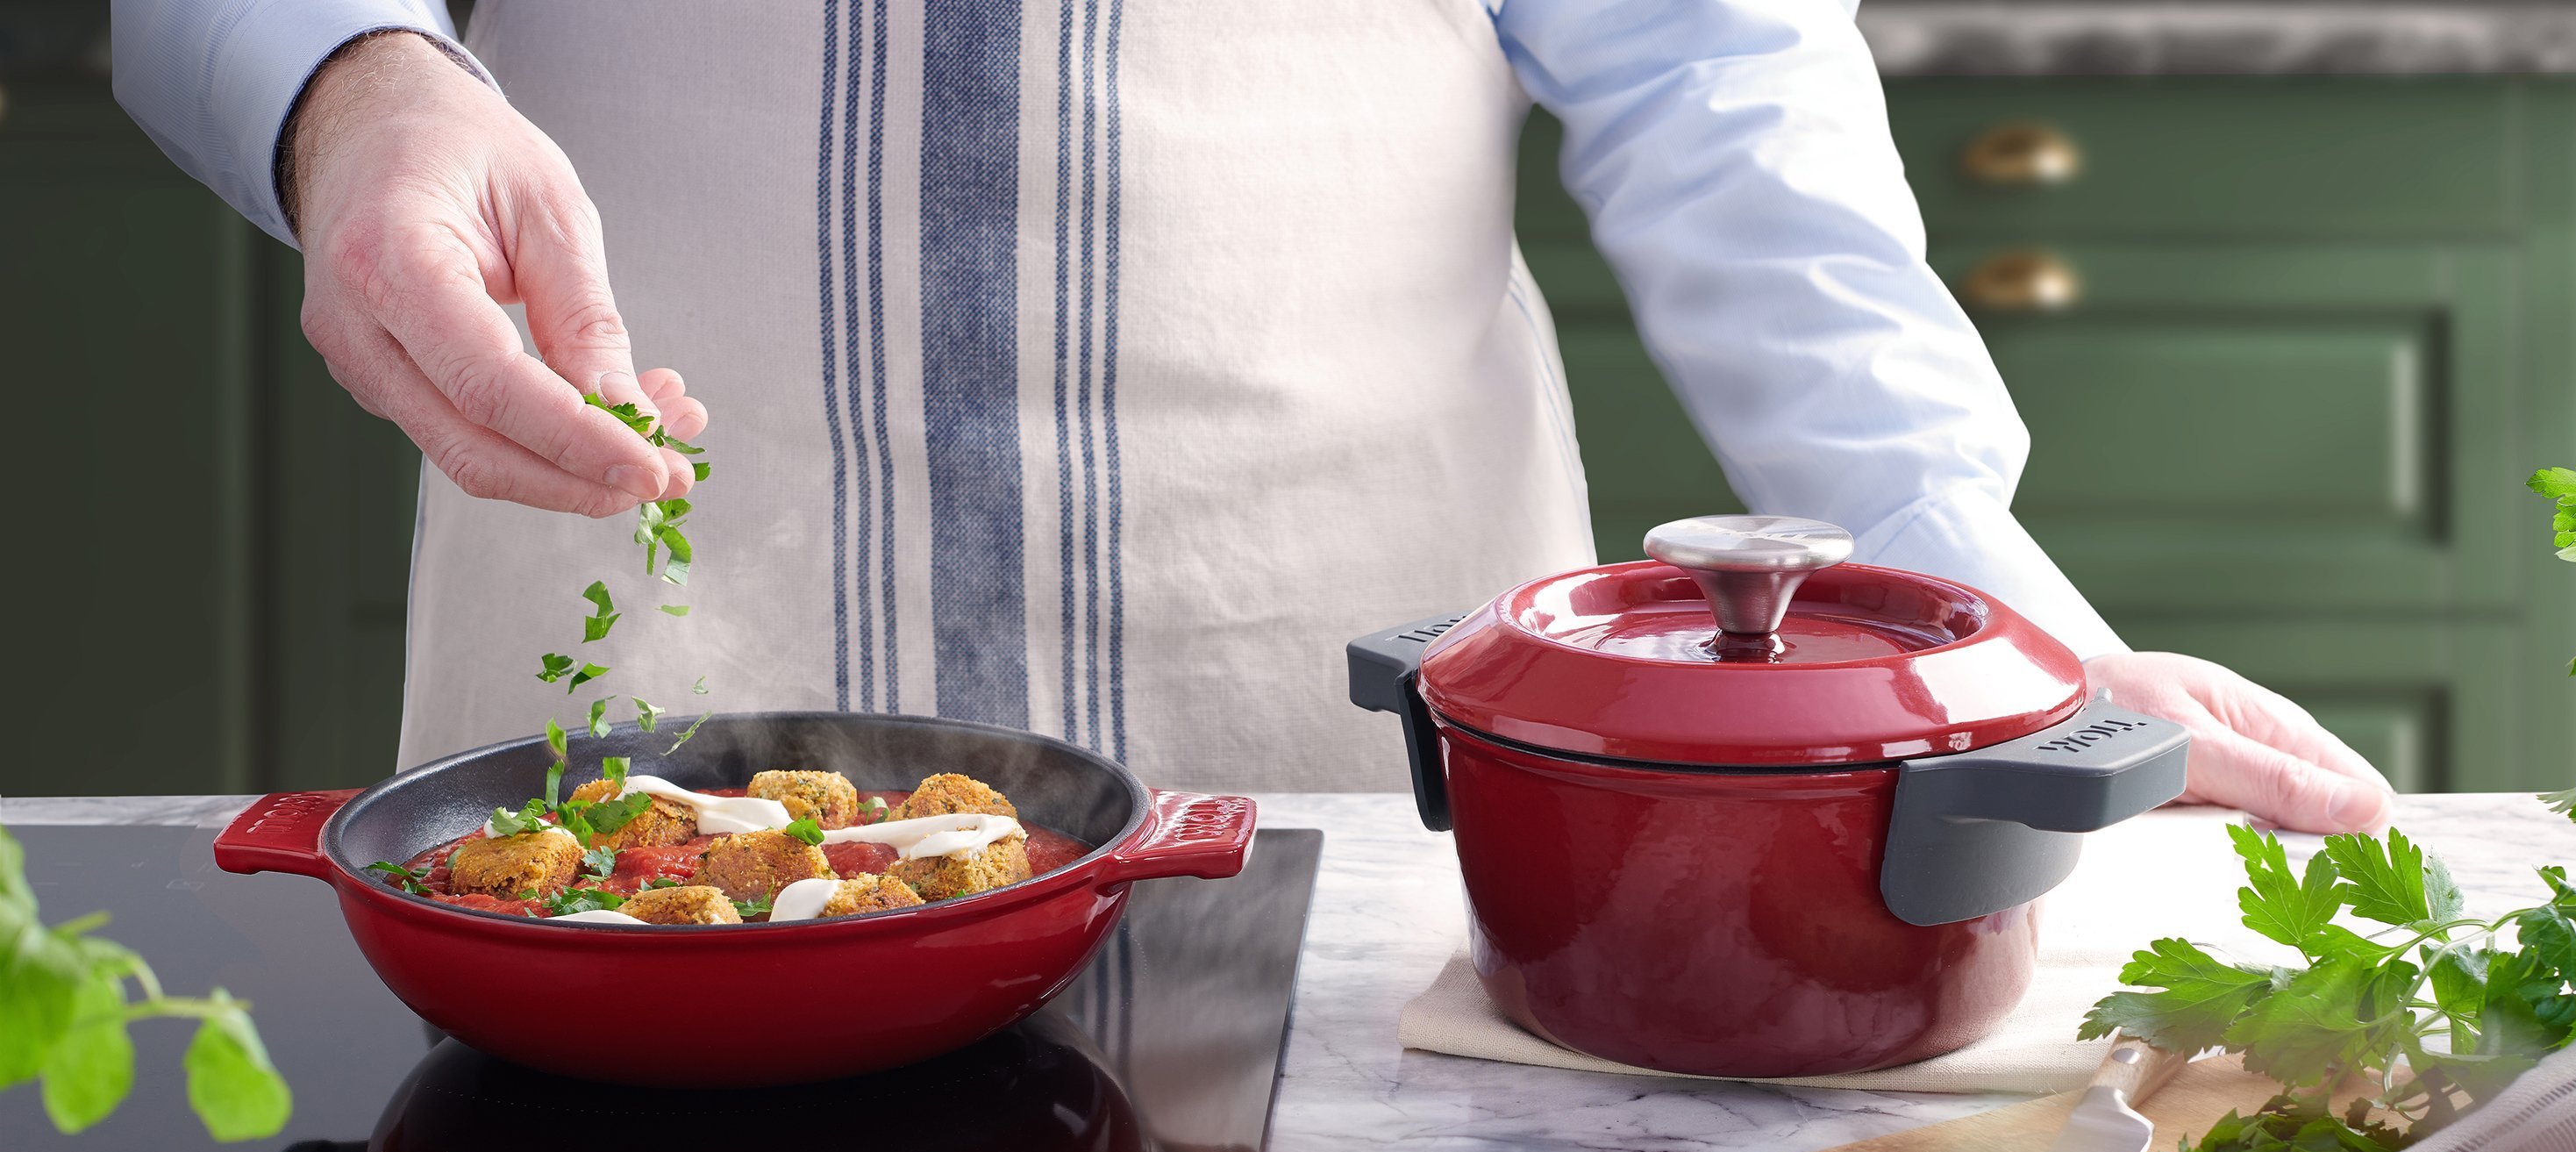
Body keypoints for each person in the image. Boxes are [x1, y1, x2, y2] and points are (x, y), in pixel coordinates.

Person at [113, 0, 2390, 831]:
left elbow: (1711, 71)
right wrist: (350, 79)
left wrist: (1976, 610)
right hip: (672, 633)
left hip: (1335, 685)